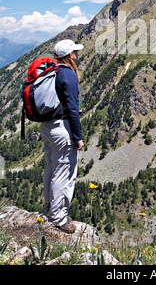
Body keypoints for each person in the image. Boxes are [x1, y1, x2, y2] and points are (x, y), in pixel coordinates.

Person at [40, 39, 84, 233]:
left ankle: (50, 209)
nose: (77, 54)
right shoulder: (68, 74)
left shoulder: (52, 70)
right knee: (63, 172)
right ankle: (58, 217)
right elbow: (73, 109)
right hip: (62, 128)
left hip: (47, 126)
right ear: (69, 55)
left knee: (51, 166)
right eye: (74, 52)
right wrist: (78, 136)